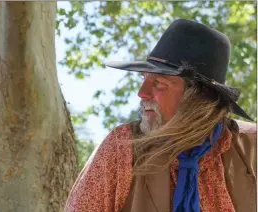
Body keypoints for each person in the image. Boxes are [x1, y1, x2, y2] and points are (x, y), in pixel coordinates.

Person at [64, 19, 256, 212]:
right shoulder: (122, 147)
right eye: (144, 78)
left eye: (159, 84)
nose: (142, 92)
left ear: (199, 96)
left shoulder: (251, 147)